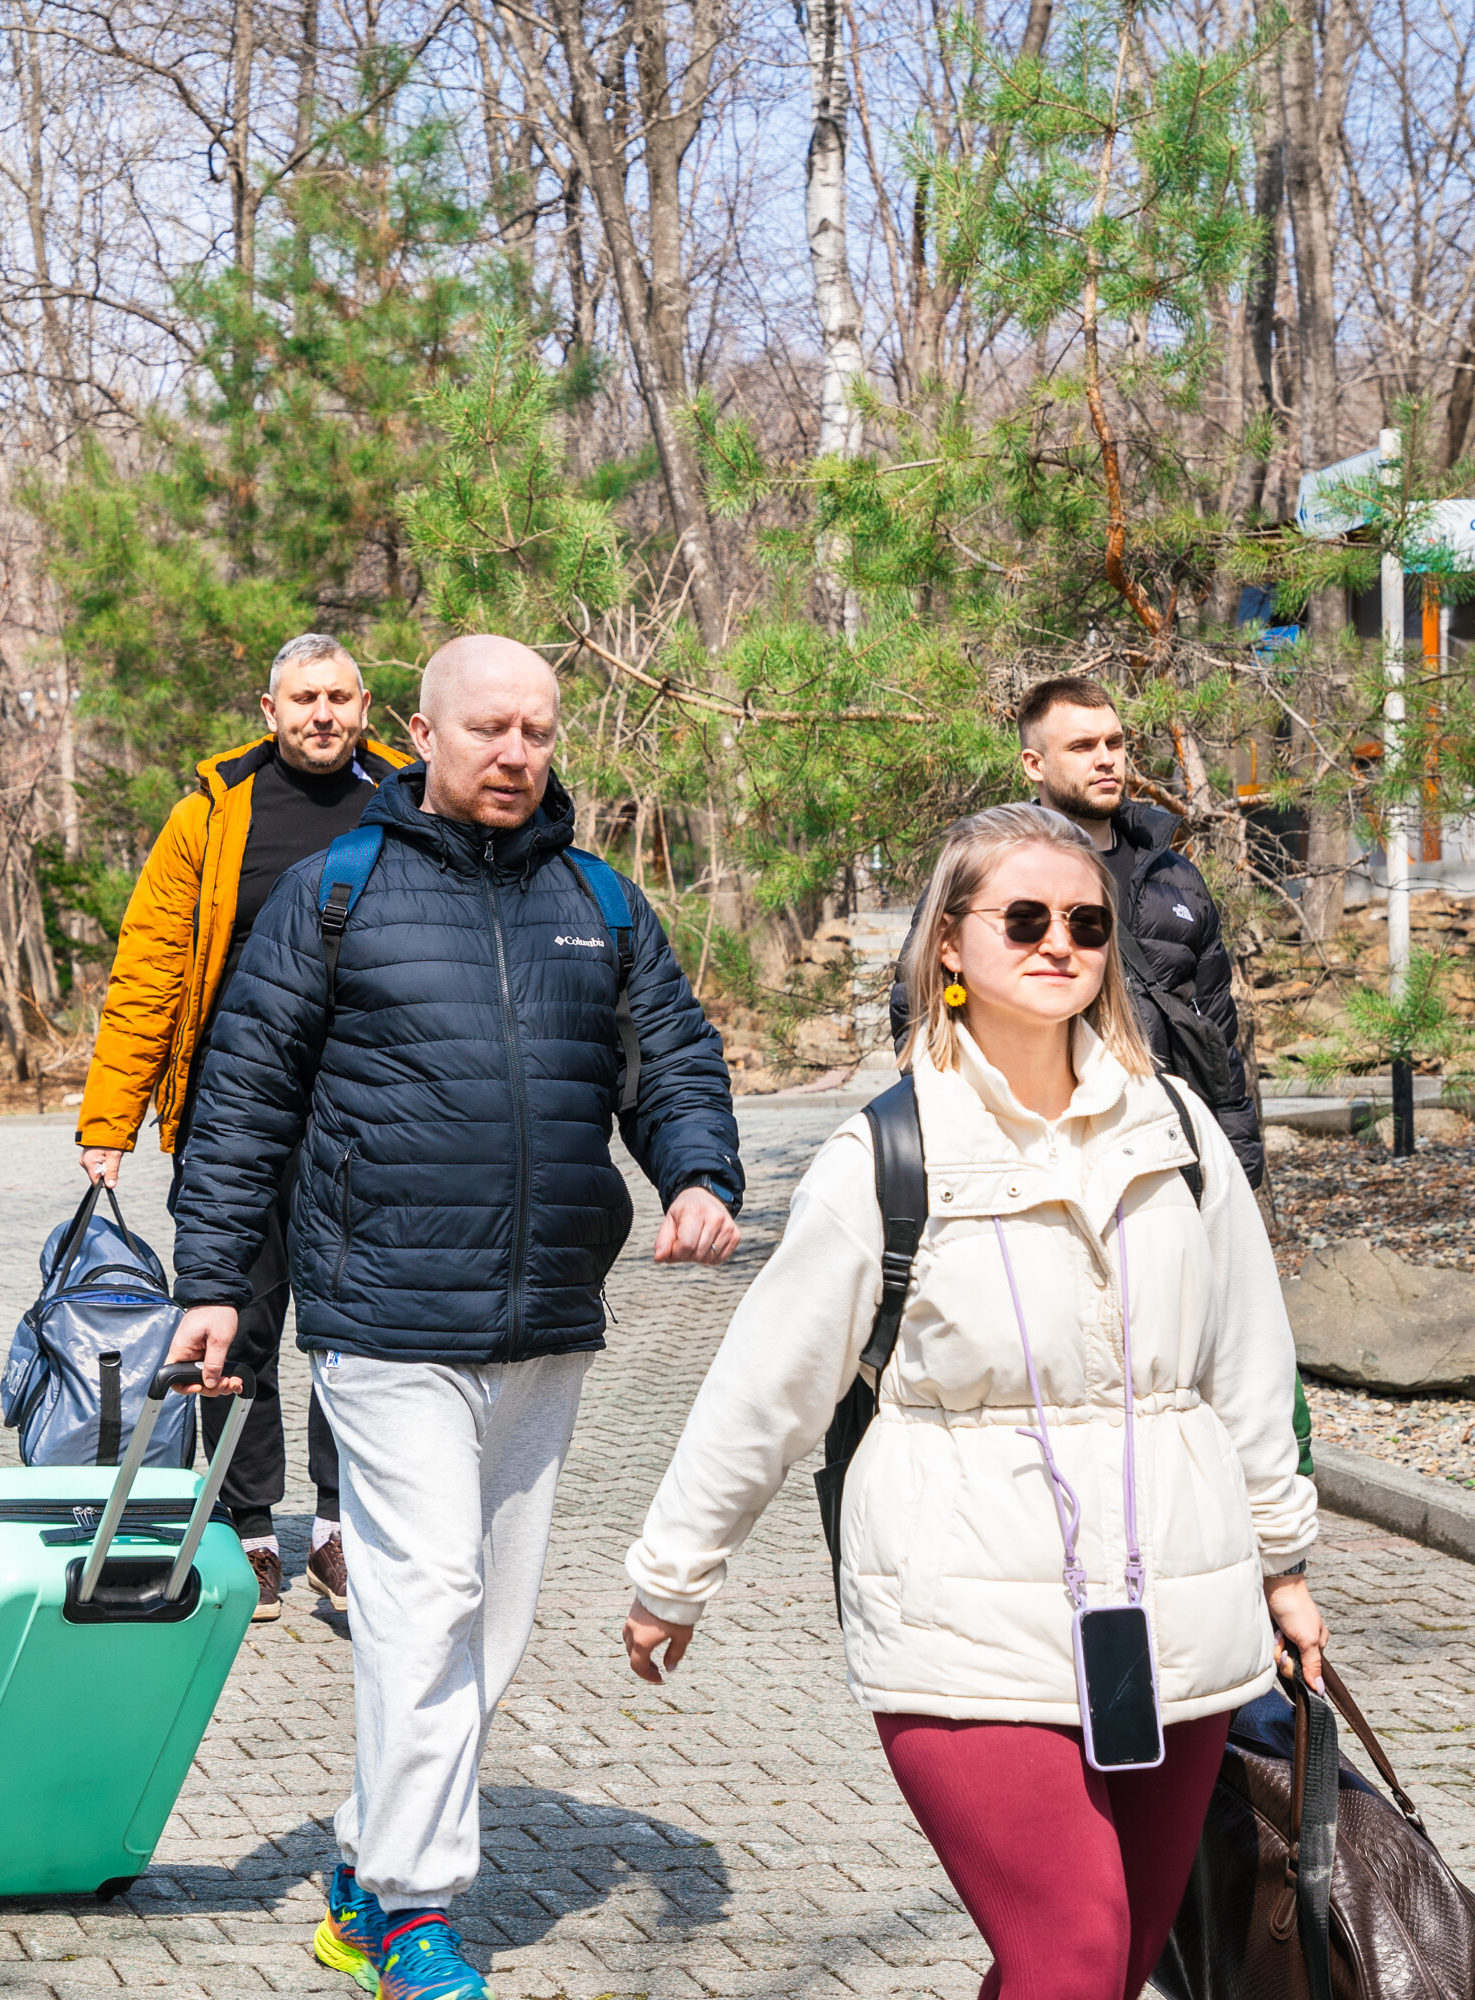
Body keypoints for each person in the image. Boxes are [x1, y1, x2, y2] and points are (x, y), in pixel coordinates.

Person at [627, 801, 1325, 2000]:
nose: (1062, 943)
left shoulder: (1179, 1132)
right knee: (1074, 1949)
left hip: (1176, 1608)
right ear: (949, 940)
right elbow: (766, 1385)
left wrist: (1284, 1563)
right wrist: (675, 1574)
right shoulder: (886, 1154)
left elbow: (1250, 1365)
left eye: (1088, 923)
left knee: (1109, 1963)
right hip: (964, 1613)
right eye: (1027, 918)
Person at [166, 634, 744, 2000]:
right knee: (425, 1603)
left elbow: (671, 1055)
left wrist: (700, 1171)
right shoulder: (336, 891)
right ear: (421, 734)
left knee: (484, 1628)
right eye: (489, 727)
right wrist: (213, 1285)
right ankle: (417, 1910)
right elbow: (242, 1098)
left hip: (545, 1317)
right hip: (384, 1315)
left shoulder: (597, 900)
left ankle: (362, 1867)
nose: (516, 753)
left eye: (538, 729)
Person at [76, 632, 413, 1620]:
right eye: (304, 698)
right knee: (236, 1327)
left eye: (339, 697)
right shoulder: (212, 814)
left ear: (365, 708)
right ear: (270, 710)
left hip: (371, 1115)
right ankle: (251, 1527)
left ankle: (343, 1526)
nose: (323, 713)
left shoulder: (407, 803)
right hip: (235, 1115)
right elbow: (149, 968)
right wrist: (111, 1116)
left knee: (362, 1328)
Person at [897, 677, 1263, 1187]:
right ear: (1035, 764)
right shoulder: (985, 870)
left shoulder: (1176, 878)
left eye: (1114, 742)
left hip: (1164, 1159)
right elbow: (918, 1015)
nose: (1106, 759)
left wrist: (1236, 1167)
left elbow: (1217, 1034)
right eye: (1082, 746)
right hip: (1034, 1163)